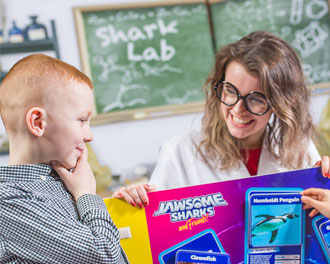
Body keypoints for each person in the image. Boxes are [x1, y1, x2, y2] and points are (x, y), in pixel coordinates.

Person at [0, 54, 187, 264]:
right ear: (38, 122)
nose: (89, 135)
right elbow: (102, 253)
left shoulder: (62, 180)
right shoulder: (10, 202)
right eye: (82, 120)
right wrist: (87, 195)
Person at [113, 30, 328, 207]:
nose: (238, 108)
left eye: (256, 98)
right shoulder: (179, 152)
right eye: (230, 90)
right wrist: (135, 201)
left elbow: (318, 236)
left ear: (282, 102)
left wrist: (326, 185)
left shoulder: (301, 149)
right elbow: (156, 231)